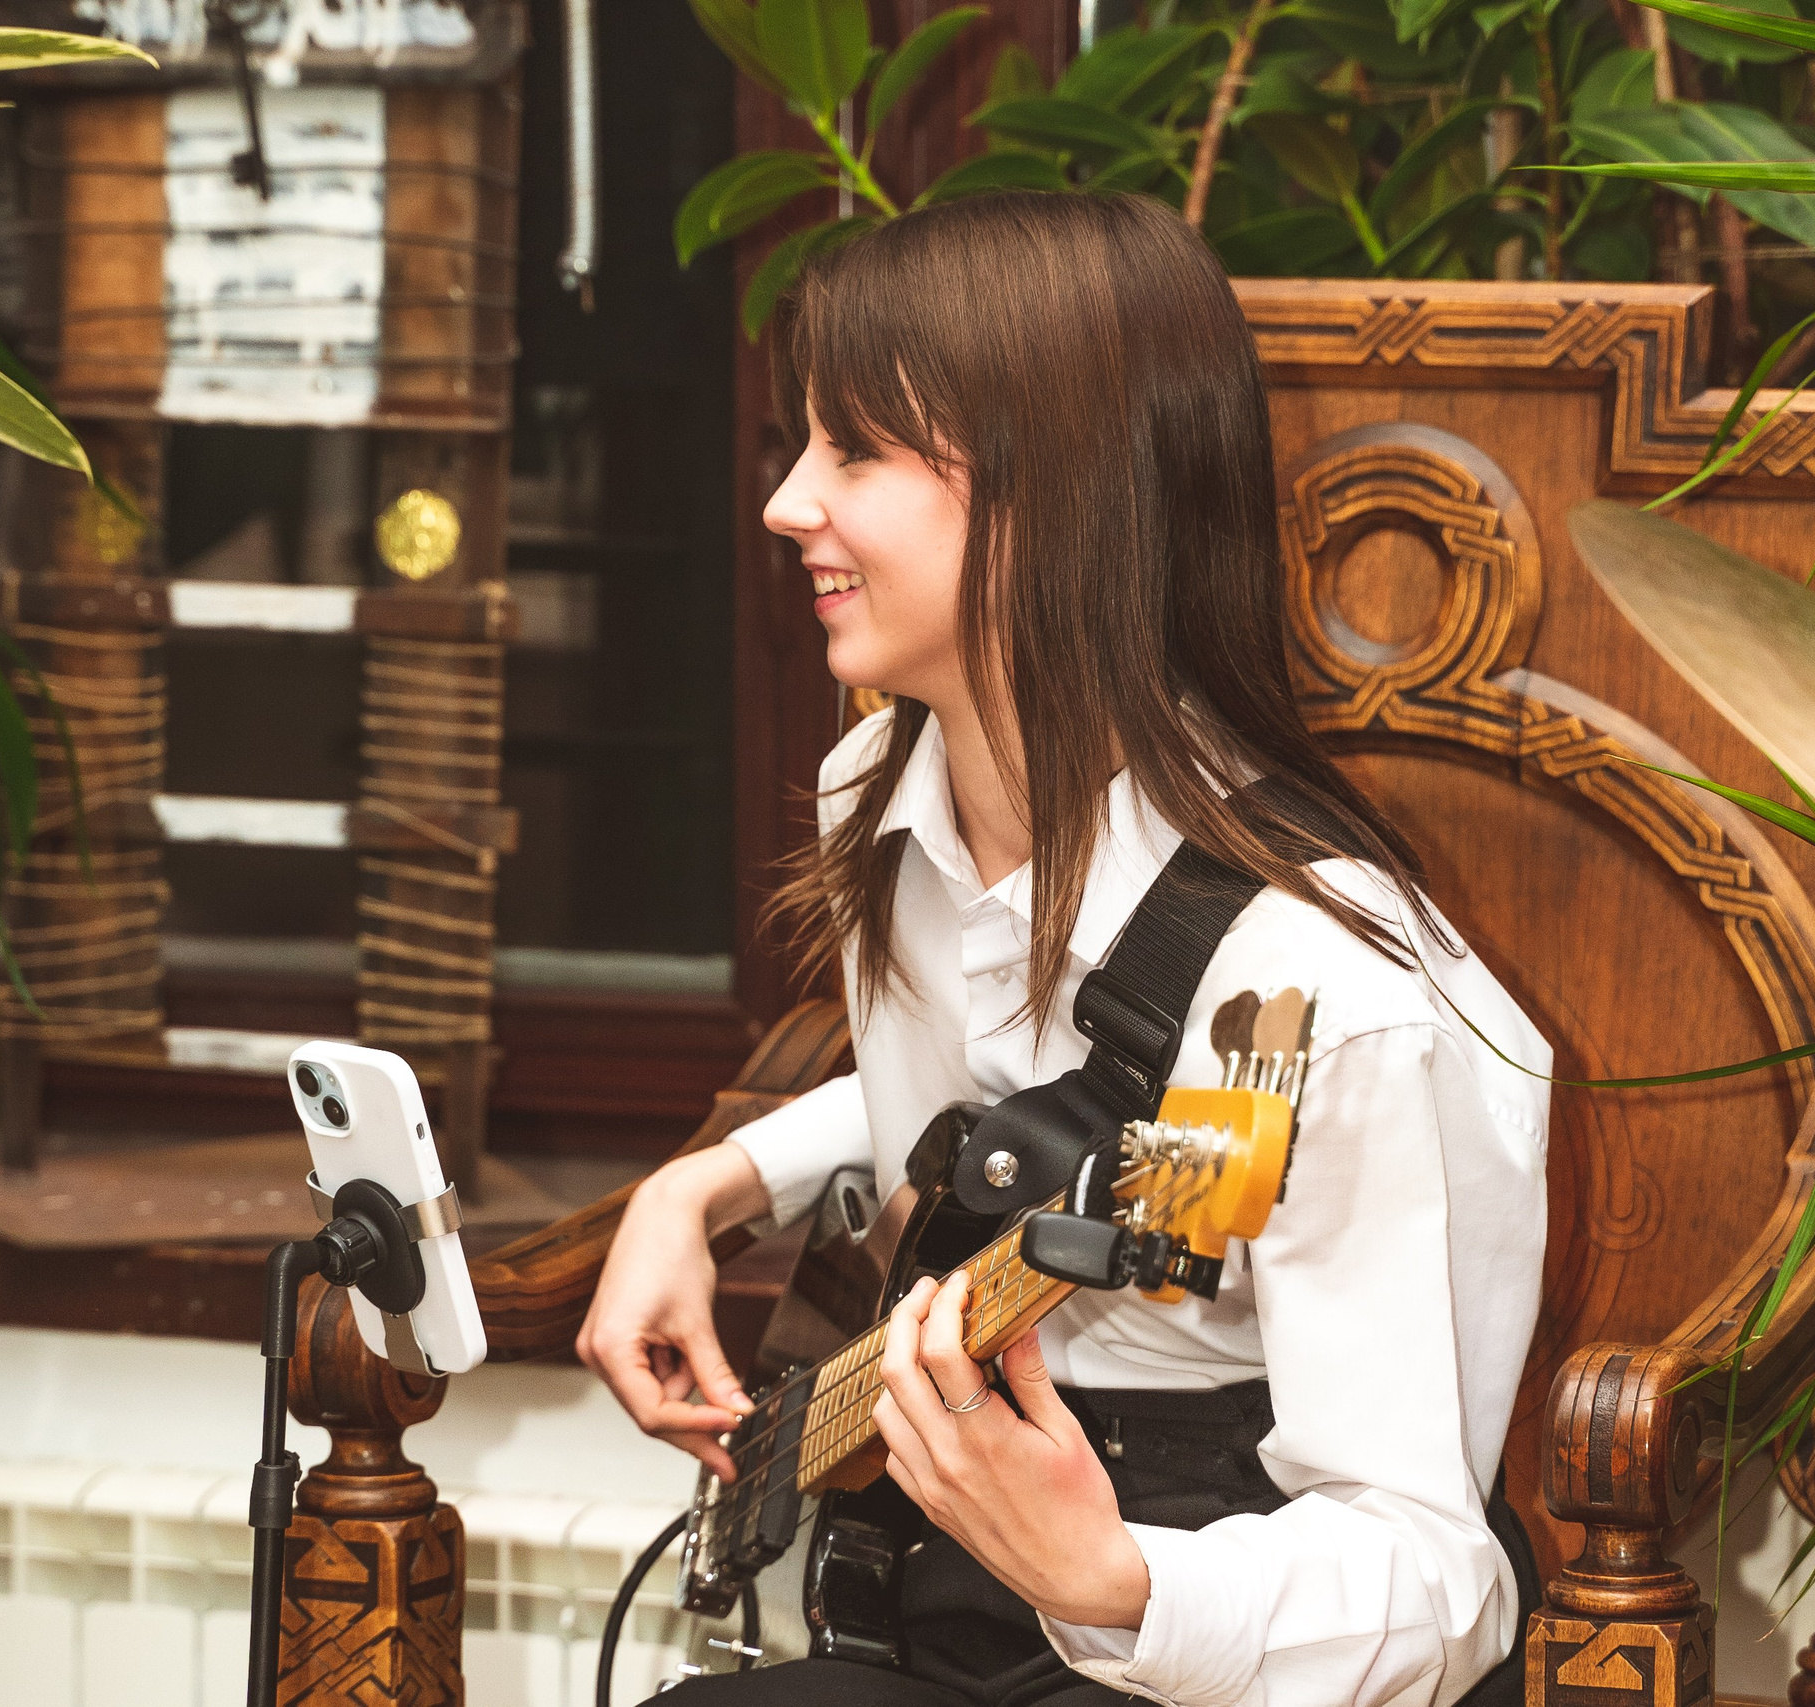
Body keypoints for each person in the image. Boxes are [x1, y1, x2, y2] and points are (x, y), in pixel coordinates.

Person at [576, 190, 1551, 1707]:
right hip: (940, 1578)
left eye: (856, 450)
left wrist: (1114, 1579)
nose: (785, 504)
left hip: (1224, 1615)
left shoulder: (1317, 993)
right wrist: (704, 1188)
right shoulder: (877, 796)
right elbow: (1007, 1117)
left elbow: (1438, 1577)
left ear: (1058, 497)